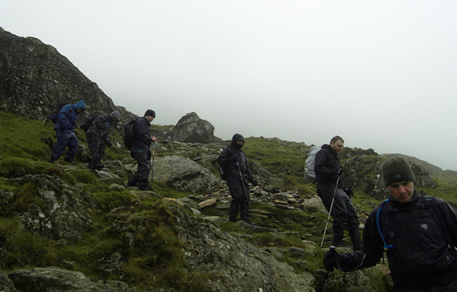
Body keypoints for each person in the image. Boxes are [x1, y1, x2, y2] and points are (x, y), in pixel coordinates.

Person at [323, 157, 457, 291]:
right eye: (395, 186)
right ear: (387, 186)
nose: (402, 190)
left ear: (413, 181)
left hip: (447, 285)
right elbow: (369, 255)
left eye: (406, 183)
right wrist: (339, 261)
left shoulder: (437, 207)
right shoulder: (380, 215)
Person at [314, 136, 362, 250]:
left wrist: (344, 189)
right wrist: (334, 172)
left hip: (337, 188)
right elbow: (318, 169)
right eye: (338, 145)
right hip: (326, 187)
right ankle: (337, 244)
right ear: (332, 143)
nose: (340, 148)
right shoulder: (323, 153)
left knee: (352, 215)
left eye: (342, 146)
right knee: (340, 213)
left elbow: (336, 176)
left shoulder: (335, 157)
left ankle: (358, 245)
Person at [218, 134, 257, 223]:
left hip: (243, 178)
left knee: (246, 198)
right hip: (232, 177)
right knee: (237, 197)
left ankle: (245, 218)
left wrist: (252, 180)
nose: (240, 143)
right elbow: (220, 160)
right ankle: (232, 219)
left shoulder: (242, 153)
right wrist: (230, 159)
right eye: (238, 141)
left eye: (242, 142)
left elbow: (246, 168)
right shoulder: (228, 150)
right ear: (234, 141)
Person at [127, 109, 157, 191]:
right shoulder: (141, 121)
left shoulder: (143, 123)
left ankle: (132, 183)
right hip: (138, 149)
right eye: (152, 117)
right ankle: (143, 186)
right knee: (145, 167)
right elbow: (141, 134)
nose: (152, 119)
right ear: (148, 115)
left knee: (143, 167)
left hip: (141, 149)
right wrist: (150, 139)